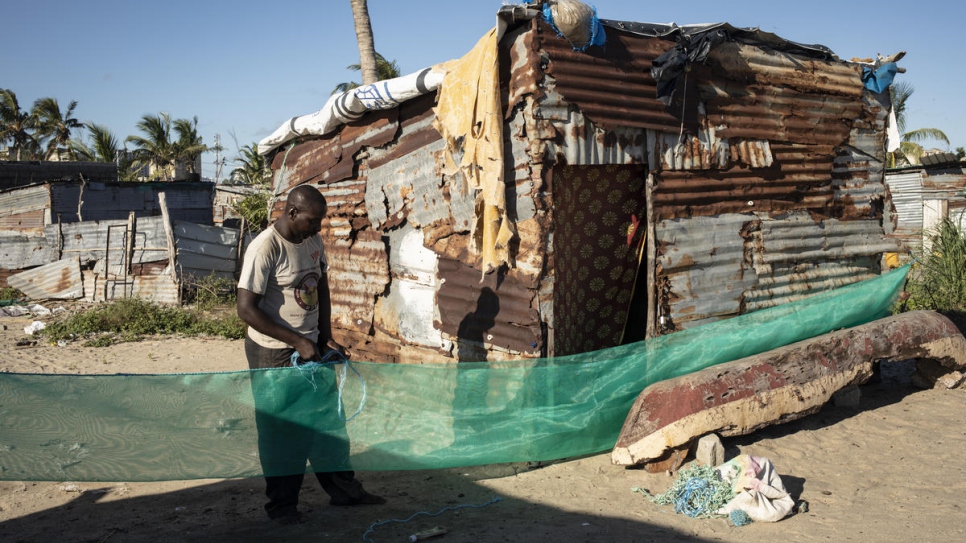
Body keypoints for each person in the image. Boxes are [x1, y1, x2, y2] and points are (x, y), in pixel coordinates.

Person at [237, 184, 385, 524]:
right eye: (313, 221)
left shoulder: (311, 241)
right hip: (273, 354)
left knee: (328, 421)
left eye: (320, 222)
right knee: (283, 431)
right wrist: (296, 341)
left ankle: (345, 492)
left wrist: (325, 336)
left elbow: (320, 286)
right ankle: (283, 507)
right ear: (291, 214)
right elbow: (246, 309)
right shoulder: (264, 248)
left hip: (312, 346)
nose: (319, 228)